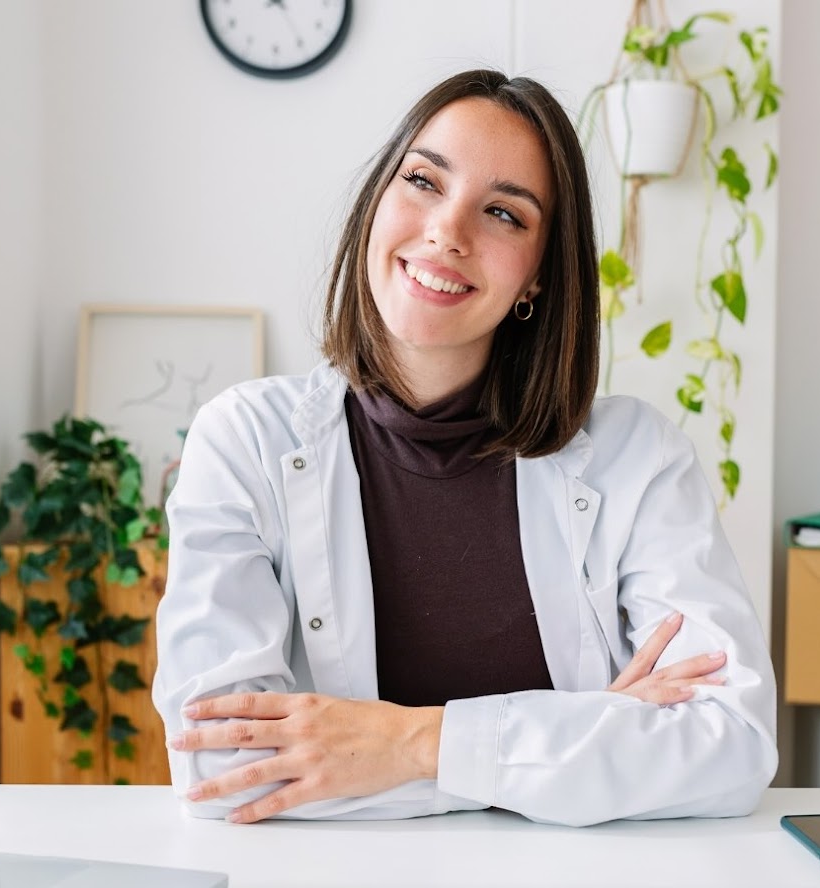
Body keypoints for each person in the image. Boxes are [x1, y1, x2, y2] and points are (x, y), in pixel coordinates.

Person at [151, 69, 777, 828]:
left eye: (505, 213)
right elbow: (230, 768)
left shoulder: (636, 457)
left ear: (537, 280)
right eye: (422, 180)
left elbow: (731, 743)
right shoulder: (244, 441)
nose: (449, 231)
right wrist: (576, 742)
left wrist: (405, 742)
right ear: (377, 201)